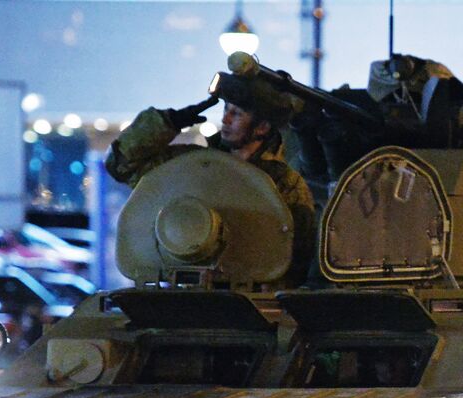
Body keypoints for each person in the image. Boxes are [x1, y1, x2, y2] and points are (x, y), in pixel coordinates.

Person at [106, 87, 316, 287]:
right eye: (226, 110)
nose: (225, 119)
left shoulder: (284, 183)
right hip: (184, 292)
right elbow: (120, 164)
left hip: (250, 300)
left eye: (237, 114)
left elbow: (298, 256)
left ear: (262, 127)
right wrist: (167, 123)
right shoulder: (192, 165)